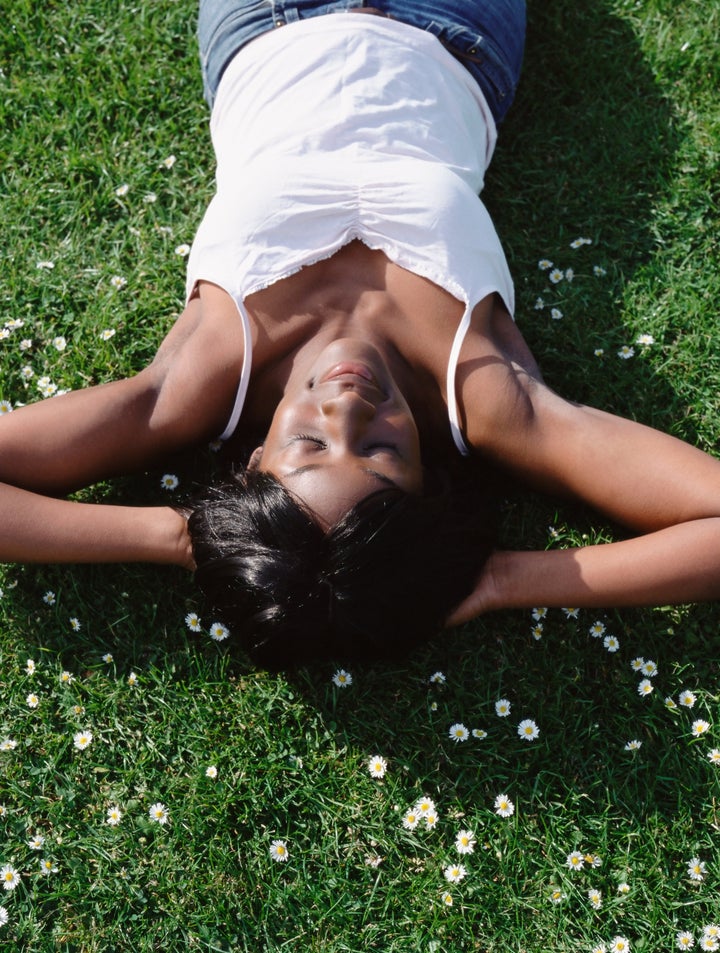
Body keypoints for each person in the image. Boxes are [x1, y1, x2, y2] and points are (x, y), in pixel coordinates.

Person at [2, 0, 720, 669]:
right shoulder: (488, 399)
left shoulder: (201, 384)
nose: (347, 409)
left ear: (254, 458)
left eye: (308, 445)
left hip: (267, 19)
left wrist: (184, 537)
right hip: (453, 26)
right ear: (428, 478)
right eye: (381, 449)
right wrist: (503, 577)